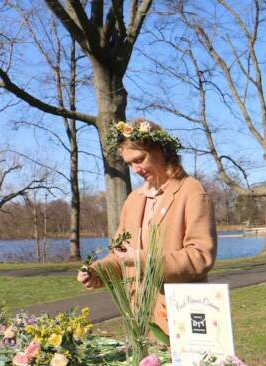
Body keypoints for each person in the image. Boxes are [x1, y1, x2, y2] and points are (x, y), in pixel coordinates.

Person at [77, 118, 216, 335]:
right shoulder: (133, 200)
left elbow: (200, 257)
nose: (135, 169)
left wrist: (145, 259)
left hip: (183, 318)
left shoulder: (192, 191)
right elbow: (121, 256)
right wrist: (97, 273)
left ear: (160, 150)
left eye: (139, 159)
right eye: (130, 163)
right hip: (140, 321)